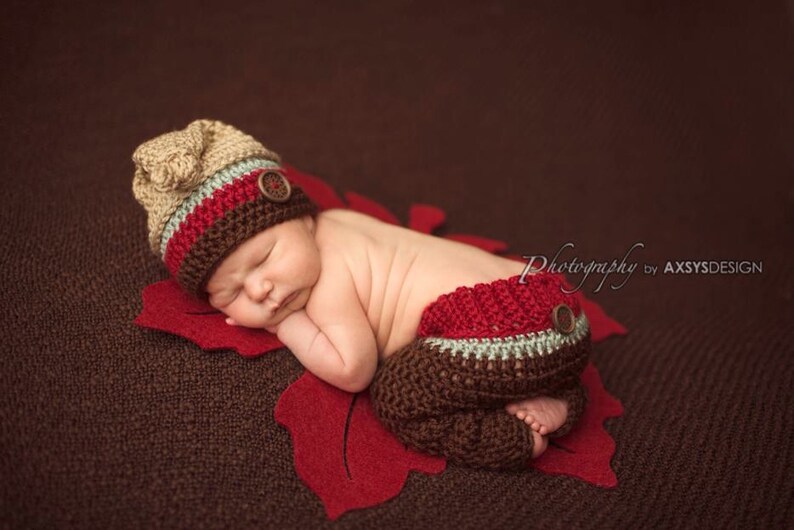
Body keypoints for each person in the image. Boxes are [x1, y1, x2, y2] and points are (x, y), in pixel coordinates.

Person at [132, 119, 591, 470]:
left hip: (492, 322)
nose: (260, 290)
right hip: (550, 300)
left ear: (300, 217)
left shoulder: (330, 281)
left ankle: (511, 436)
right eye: (229, 292)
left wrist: (288, 326)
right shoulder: (338, 224)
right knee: (482, 362)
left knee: (399, 395)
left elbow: (353, 369)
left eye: (265, 257)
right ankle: (560, 394)